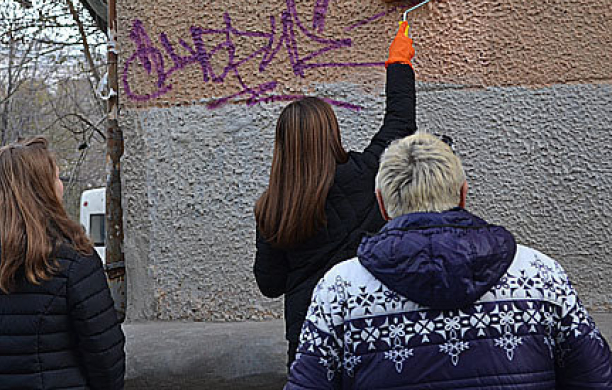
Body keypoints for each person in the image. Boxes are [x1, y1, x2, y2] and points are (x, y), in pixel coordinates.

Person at [286, 132, 612, 388]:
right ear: (463, 194)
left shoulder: (339, 289)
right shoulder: (542, 275)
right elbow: (596, 378)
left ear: (382, 206)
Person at [253, 21, 417, 364]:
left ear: (282, 145)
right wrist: (398, 64)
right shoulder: (367, 173)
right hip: (371, 330)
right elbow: (400, 123)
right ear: (332, 133)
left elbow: (270, 284)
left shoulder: (272, 207)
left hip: (310, 340)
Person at [0, 136, 125, 389]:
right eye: (56, 178)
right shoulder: (73, 260)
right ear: (43, 188)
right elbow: (105, 355)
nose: (60, 186)